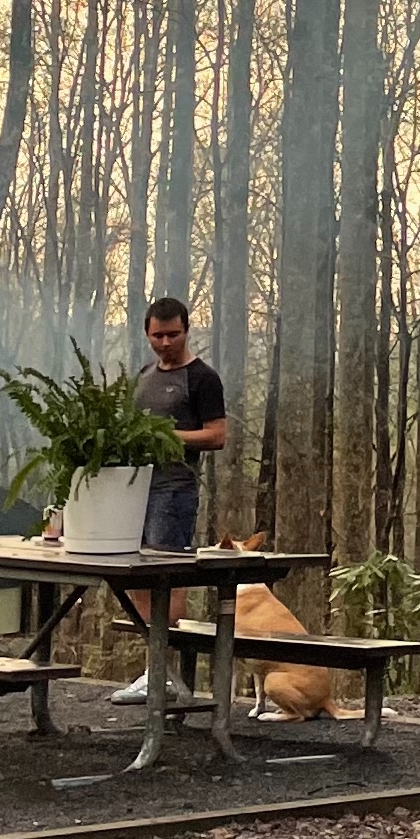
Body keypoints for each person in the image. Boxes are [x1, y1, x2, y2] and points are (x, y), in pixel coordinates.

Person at [110, 294, 233, 704]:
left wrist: (167, 436)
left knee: (167, 575)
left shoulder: (202, 378)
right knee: (136, 576)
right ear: (146, 333)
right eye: (157, 335)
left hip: (175, 488)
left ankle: (159, 671)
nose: (165, 343)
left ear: (186, 330)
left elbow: (216, 435)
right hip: (132, 488)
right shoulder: (144, 374)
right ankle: (155, 669)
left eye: (173, 334)